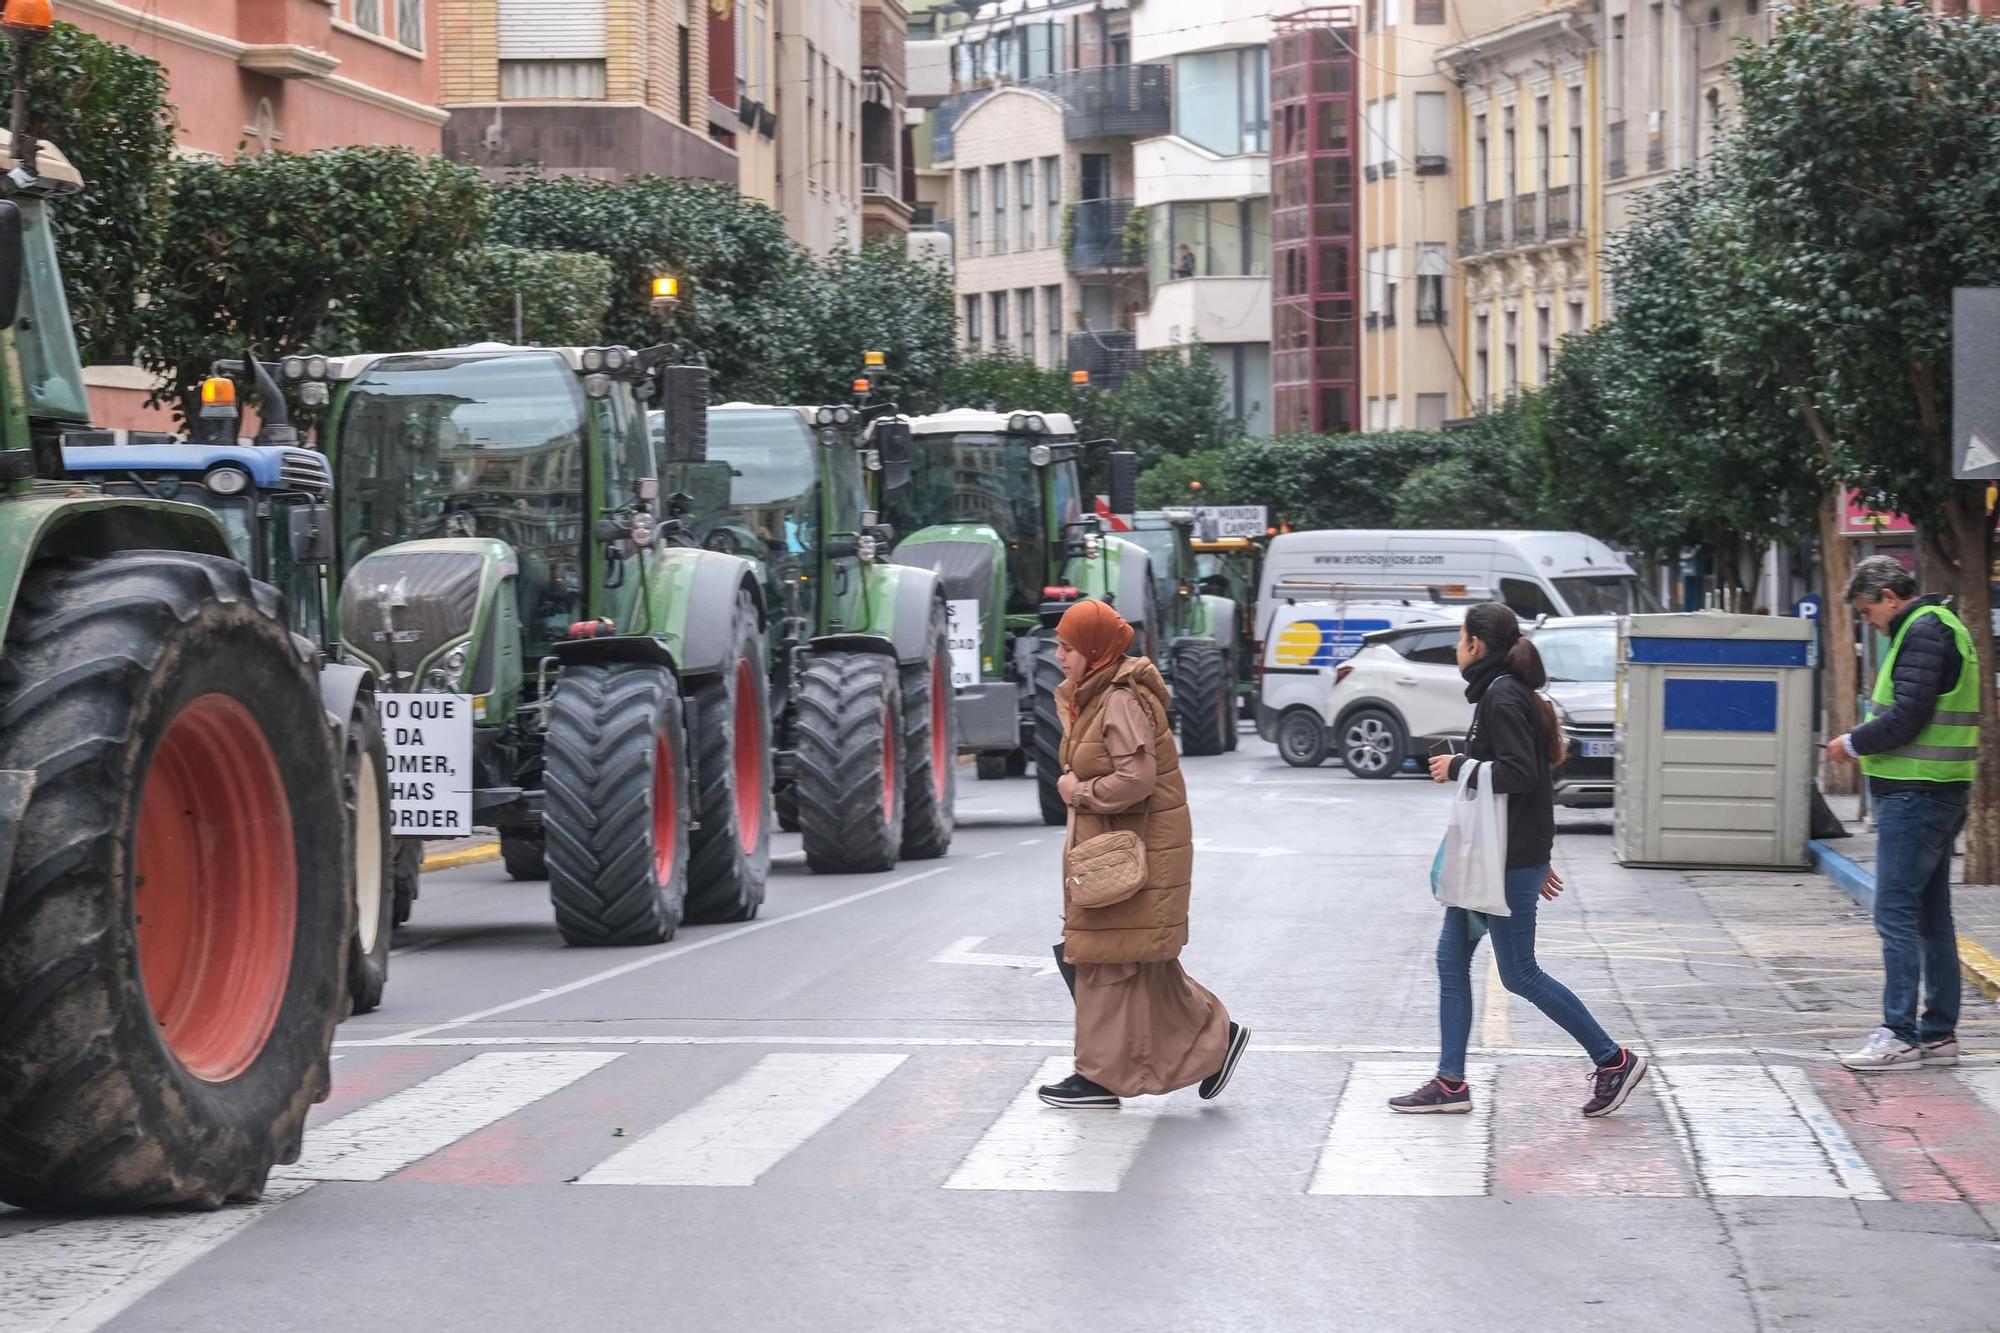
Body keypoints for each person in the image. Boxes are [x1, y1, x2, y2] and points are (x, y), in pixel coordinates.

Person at [1391, 602, 1650, 1118]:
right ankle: (1450, 1082)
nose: (1457, 648)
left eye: (1461, 638)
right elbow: (1529, 788)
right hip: (1498, 859)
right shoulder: (1509, 693)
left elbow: (1521, 774)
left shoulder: (1502, 695)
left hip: (1502, 865)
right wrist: (1536, 858)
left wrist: (1458, 764)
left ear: (1476, 646)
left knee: (1520, 973)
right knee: (1452, 961)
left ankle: (1613, 1059)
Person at [1039, 598, 1249, 1109]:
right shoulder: (1092, 695)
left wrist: (1077, 793)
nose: (1060, 657)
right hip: (1114, 852)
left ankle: (1097, 1077)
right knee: (1133, 961)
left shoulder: (1120, 701)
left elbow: (1137, 779)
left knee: (1103, 959)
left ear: (1093, 650)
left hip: (1133, 856)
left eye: (1068, 648)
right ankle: (1215, 1037)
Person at [1828, 556, 1982, 1072]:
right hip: (1940, 791)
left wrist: (1853, 742)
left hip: (1916, 796)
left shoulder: (1923, 630)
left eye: (1869, 611)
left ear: (1891, 596)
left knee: (1894, 912)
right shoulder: (1944, 626)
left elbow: (1909, 713)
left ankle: (1899, 1032)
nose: (1868, 621)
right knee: (1933, 917)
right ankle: (1939, 1034)